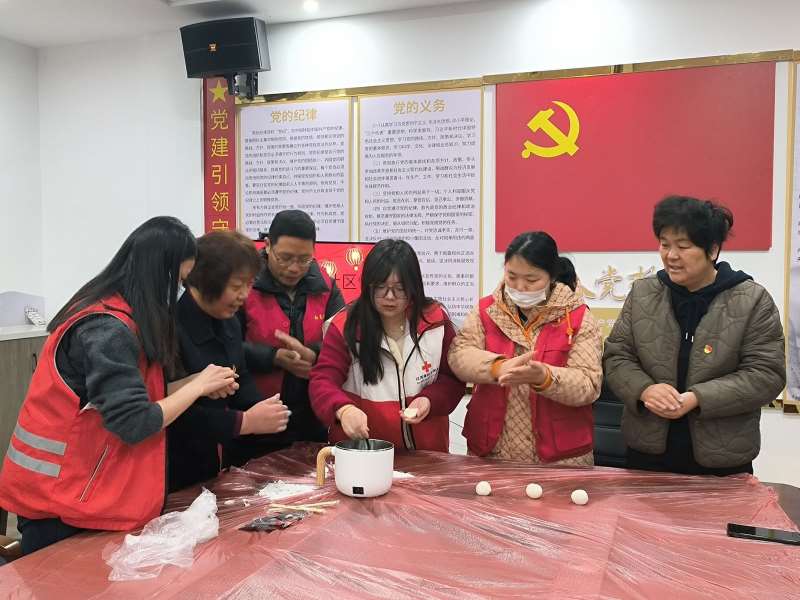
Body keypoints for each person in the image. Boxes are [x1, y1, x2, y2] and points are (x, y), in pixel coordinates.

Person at [0, 217, 236, 555]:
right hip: (58, 504)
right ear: (158, 274)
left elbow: (138, 397)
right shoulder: (106, 328)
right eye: (179, 282)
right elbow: (135, 422)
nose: (180, 293)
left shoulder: (127, 318)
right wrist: (195, 389)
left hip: (86, 494)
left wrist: (196, 382)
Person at [603, 196, 785, 475]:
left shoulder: (751, 300)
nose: (671, 255)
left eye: (683, 246)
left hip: (723, 457)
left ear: (712, 250)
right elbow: (617, 356)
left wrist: (698, 398)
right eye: (665, 244)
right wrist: (645, 389)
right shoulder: (643, 294)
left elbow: (766, 374)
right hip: (647, 453)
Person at [448, 231, 602, 464]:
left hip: (561, 458)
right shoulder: (486, 310)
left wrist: (545, 377)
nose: (520, 287)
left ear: (551, 276)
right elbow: (459, 354)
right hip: (494, 450)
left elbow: (589, 384)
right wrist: (497, 367)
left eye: (531, 280)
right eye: (511, 276)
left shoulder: (578, 317)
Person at [309, 239, 465, 451]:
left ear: (414, 287)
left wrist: (429, 400)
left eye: (400, 289)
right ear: (367, 285)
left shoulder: (435, 321)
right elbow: (322, 381)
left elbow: (452, 378)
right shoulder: (345, 326)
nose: (389, 297)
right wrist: (343, 410)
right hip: (364, 452)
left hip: (426, 455)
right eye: (380, 287)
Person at [169, 231, 291, 491]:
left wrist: (265, 411)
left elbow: (240, 375)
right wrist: (244, 422)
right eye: (236, 287)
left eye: (249, 285)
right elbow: (173, 413)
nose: (244, 295)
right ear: (206, 281)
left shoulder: (228, 320)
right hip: (175, 466)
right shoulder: (170, 330)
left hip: (219, 462)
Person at [240, 210, 345, 446]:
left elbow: (342, 341)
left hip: (313, 417)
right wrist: (273, 357)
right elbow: (225, 347)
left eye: (304, 259)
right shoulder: (243, 285)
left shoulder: (326, 288)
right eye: (285, 258)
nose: (294, 268)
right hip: (255, 416)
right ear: (268, 245)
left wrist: (314, 353)